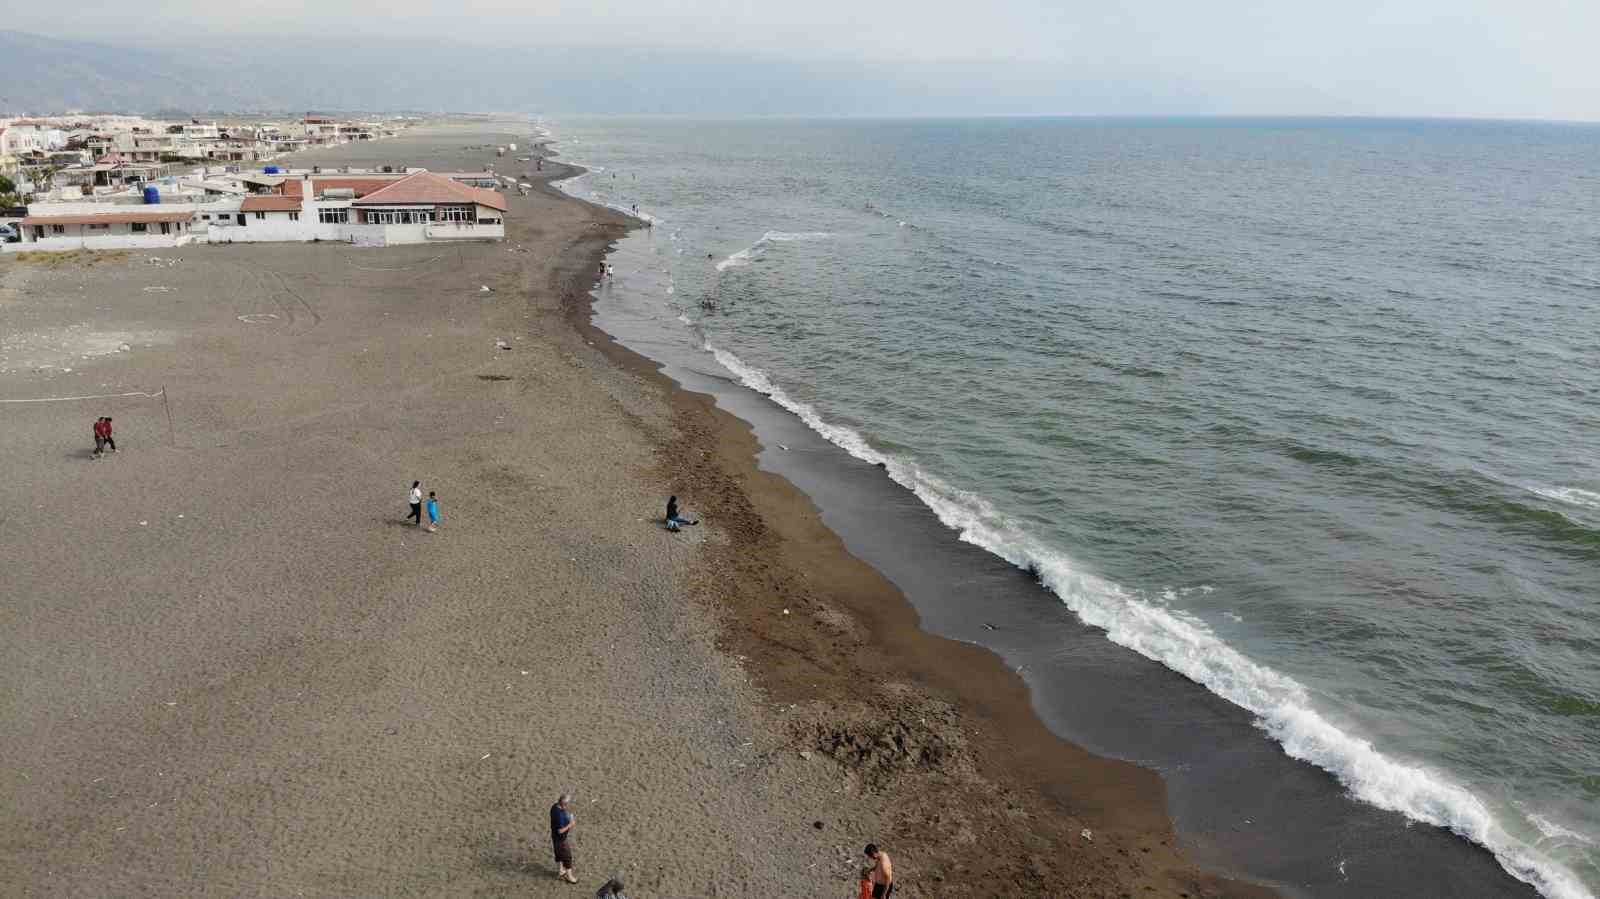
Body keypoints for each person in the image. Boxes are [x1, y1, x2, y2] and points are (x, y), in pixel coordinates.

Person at [550, 793, 577, 883]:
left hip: (554, 837)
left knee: (559, 855)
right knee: (567, 857)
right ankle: (569, 877)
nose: (569, 806)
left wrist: (568, 817)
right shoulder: (559, 815)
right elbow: (560, 831)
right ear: (564, 804)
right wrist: (570, 824)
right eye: (568, 804)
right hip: (561, 839)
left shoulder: (554, 807)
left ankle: (561, 871)